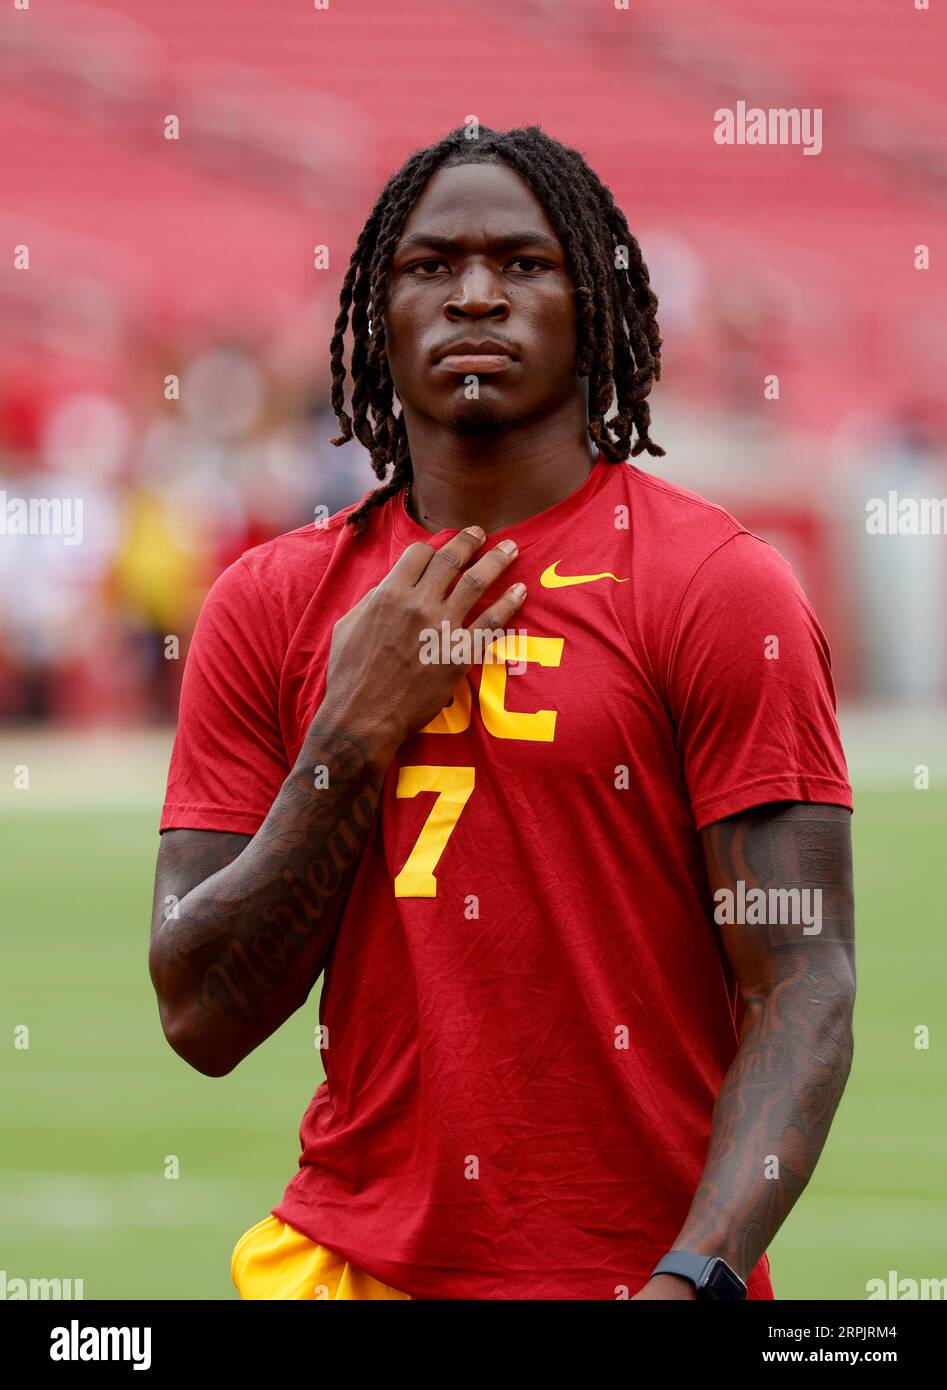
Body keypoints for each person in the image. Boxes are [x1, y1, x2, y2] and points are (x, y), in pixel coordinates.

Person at [149, 124, 855, 1301]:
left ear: (598, 306)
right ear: (378, 315)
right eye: (429, 266)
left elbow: (803, 981)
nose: (475, 292)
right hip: (347, 1268)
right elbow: (201, 1015)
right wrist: (351, 731)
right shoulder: (269, 602)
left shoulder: (719, 587)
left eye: (524, 263)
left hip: (638, 1281)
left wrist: (698, 1277)